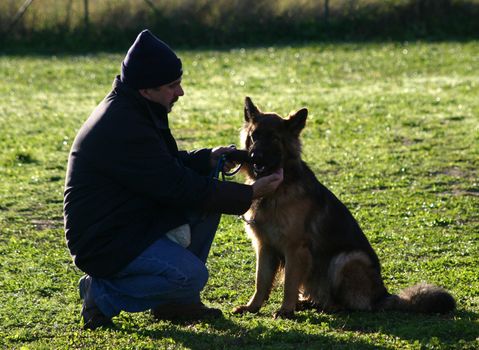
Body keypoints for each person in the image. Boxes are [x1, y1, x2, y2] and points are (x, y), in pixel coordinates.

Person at [63, 29, 283, 330]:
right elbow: (175, 184)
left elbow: (163, 166)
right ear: (146, 89)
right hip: (105, 241)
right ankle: (101, 294)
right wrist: (252, 193)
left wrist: (207, 157)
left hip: (130, 220)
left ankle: (175, 304)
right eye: (172, 85)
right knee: (191, 276)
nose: (180, 92)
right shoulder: (124, 125)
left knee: (205, 203)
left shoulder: (135, 108)